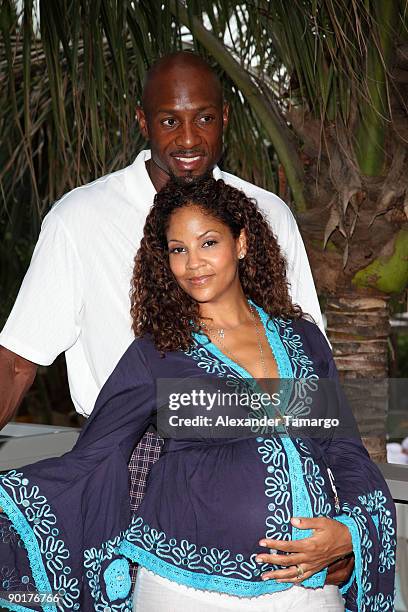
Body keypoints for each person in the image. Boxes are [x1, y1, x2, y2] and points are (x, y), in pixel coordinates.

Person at [0, 51, 352, 585]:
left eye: (204, 118)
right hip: (130, 477)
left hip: (285, 515)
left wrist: (343, 526)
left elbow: (310, 378)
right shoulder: (80, 219)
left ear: (225, 119)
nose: (188, 139)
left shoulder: (267, 213)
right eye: (169, 120)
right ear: (143, 122)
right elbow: (15, 366)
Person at [0, 178, 396, 612]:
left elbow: (343, 451)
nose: (193, 263)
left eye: (208, 242)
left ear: (242, 243)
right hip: (186, 593)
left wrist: (349, 532)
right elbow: (96, 455)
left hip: (310, 591)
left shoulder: (303, 340)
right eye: (177, 249)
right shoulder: (158, 353)